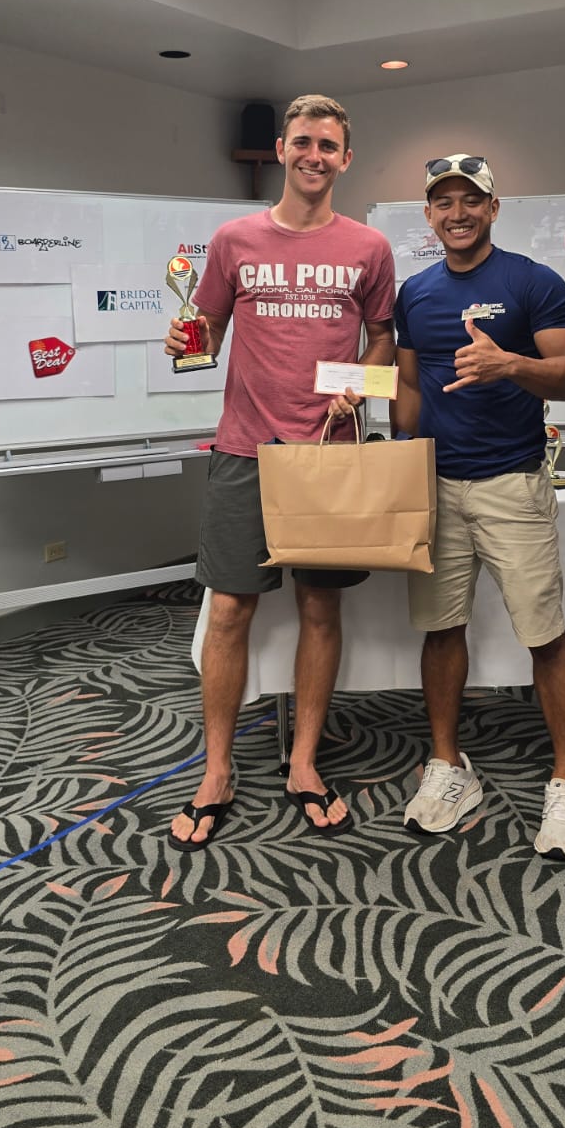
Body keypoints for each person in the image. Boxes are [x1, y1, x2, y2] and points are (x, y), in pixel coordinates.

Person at [165, 94, 395, 850]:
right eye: (303, 142)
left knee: (321, 611)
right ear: (281, 148)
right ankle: (218, 767)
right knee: (229, 612)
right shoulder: (234, 238)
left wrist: (353, 392)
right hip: (243, 450)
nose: (315, 156)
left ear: (345, 158)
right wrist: (184, 339)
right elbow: (208, 330)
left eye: (329, 145)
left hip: (328, 456)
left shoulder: (368, 246)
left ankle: (303, 762)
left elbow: (383, 339)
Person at [391, 154, 565, 859]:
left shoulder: (532, 282)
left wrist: (510, 363)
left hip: (512, 482)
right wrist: (399, 456)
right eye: (443, 202)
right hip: (435, 487)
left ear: (493, 207)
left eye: (469, 200)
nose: (457, 213)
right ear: (428, 215)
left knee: (544, 635)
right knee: (441, 630)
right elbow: (411, 387)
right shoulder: (414, 293)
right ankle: (449, 767)